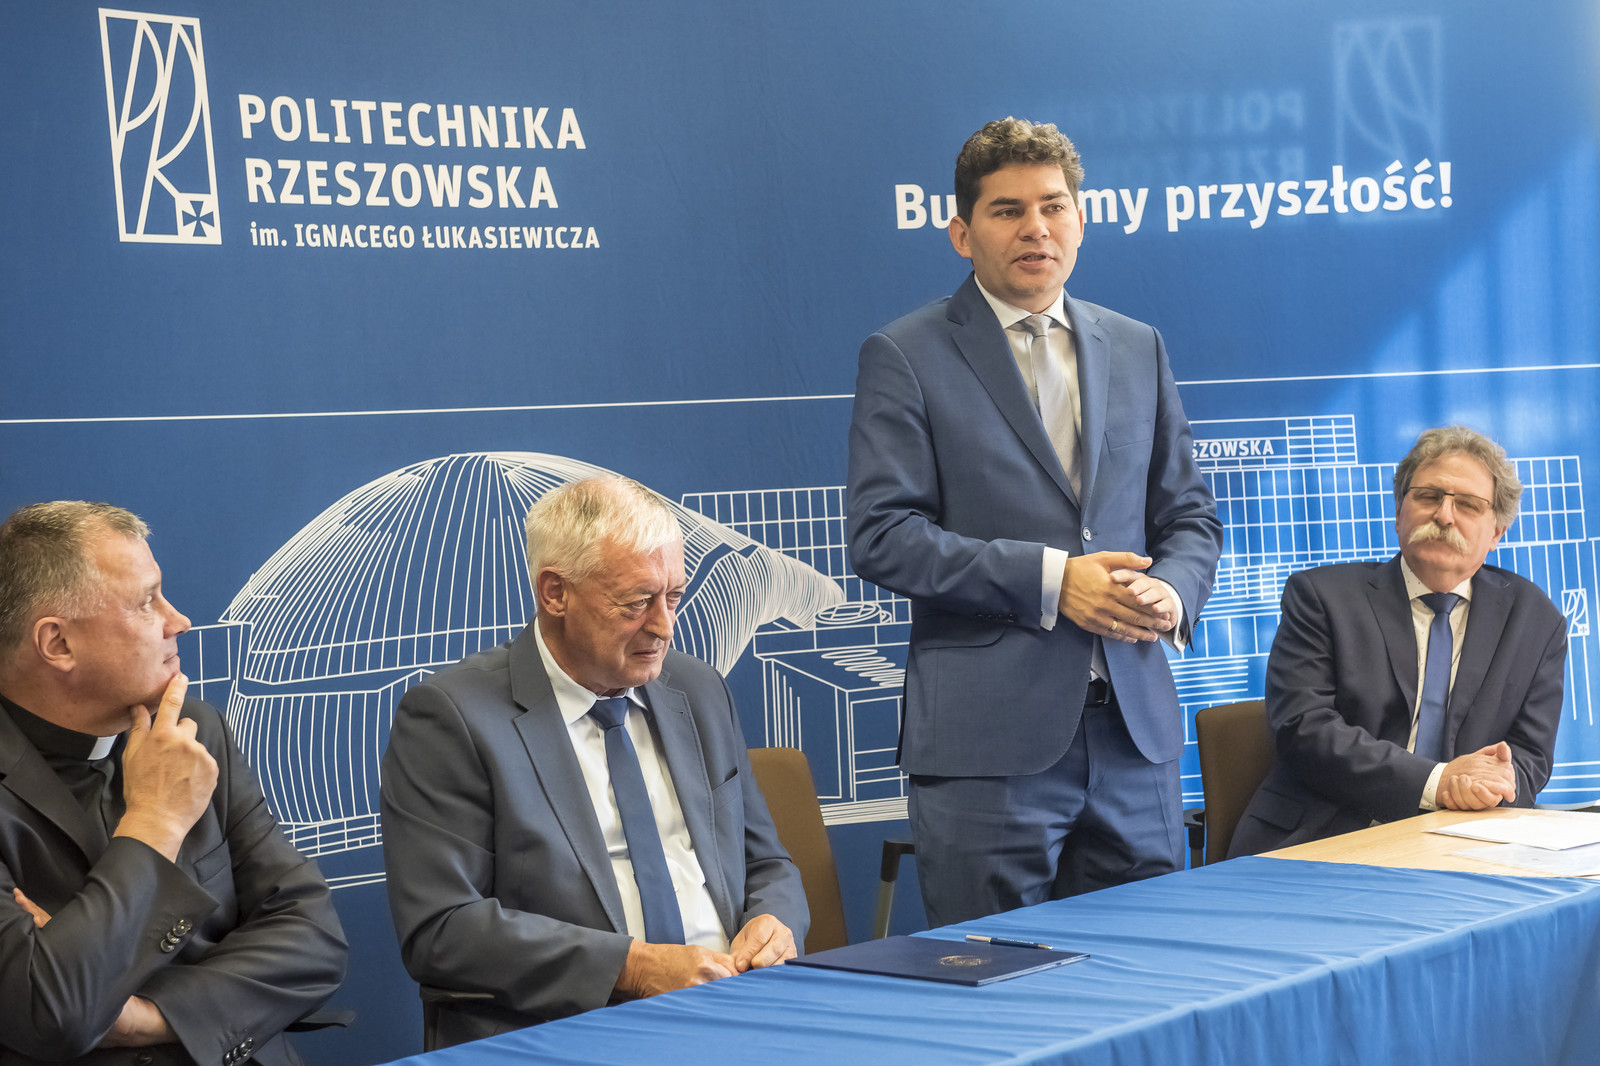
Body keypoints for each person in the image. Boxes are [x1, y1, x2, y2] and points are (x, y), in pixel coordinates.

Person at [847, 117, 1222, 926]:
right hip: (989, 752)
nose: (1036, 228)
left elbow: (1189, 515)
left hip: (1134, 739)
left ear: (1080, 222)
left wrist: (1171, 593)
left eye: (1053, 206)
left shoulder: (1138, 346)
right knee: (1002, 980)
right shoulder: (906, 354)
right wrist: (1053, 581)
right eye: (1008, 210)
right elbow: (883, 535)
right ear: (962, 234)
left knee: (1149, 972)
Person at [381, 475, 808, 1046]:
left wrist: (773, 921)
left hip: (734, 1010)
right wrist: (633, 968)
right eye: (637, 602)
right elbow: (443, 929)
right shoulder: (454, 718)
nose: (663, 626)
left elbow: (767, 863)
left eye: (674, 597)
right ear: (555, 593)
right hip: (567, 1028)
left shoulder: (699, 690)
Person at [0, 501, 347, 1066]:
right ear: (58, 644)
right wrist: (154, 823)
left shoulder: (195, 728)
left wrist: (149, 1019)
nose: (179, 620)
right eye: (146, 602)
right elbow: (52, 1012)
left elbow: (313, 936)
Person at [1228, 426, 1566, 854]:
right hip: (1323, 837)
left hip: (1464, 844)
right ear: (1399, 512)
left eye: (1467, 505)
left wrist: (1494, 782)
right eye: (1428, 497)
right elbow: (1304, 730)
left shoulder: (1535, 620)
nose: (1444, 515)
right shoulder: (1322, 598)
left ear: (1497, 532)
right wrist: (1438, 782)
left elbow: (1530, 756)